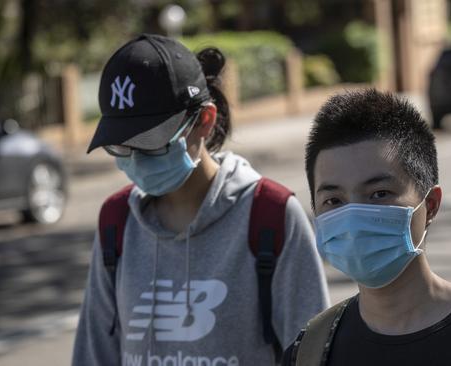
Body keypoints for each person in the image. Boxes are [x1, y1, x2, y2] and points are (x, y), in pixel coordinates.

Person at [73, 34, 329, 366]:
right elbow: (93, 355)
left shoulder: (271, 216)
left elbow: (311, 356)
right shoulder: (116, 222)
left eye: (151, 143)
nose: (134, 159)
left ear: (203, 121)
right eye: (120, 146)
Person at [283, 89, 451, 366]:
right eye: (334, 200)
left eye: (379, 194)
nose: (353, 217)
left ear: (431, 204)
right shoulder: (308, 353)